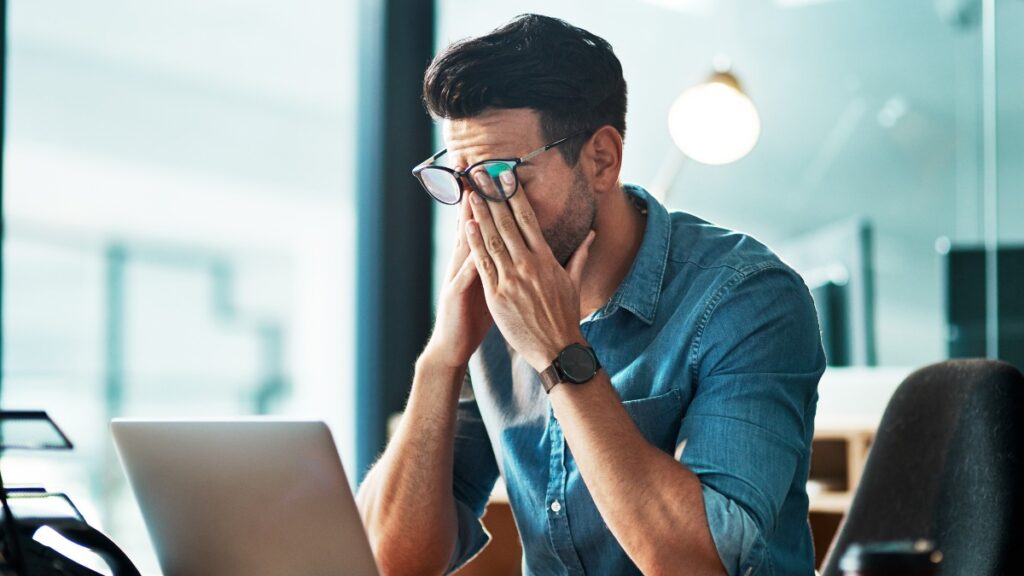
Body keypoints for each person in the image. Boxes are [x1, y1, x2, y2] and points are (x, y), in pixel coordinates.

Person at [356, 13, 825, 576]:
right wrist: (443, 356)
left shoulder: (748, 299)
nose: (481, 215)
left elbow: (703, 564)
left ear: (602, 159)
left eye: (502, 177)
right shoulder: (491, 309)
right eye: (460, 182)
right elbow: (392, 560)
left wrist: (558, 352)